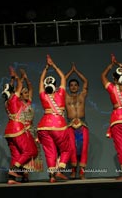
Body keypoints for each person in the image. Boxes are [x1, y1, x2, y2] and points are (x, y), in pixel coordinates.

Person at [37, 54, 71, 183]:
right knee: (66, 149)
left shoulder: (42, 95)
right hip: (58, 125)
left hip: (43, 126)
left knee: (50, 151)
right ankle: (59, 171)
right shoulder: (61, 93)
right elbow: (62, 77)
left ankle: (51, 176)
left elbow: (40, 81)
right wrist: (54, 65)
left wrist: (46, 67)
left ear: (45, 87)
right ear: (56, 86)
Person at [2, 67, 38, 184]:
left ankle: (11, 179)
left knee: (16, 154)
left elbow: (11, 89)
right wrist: (18, 77)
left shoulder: (6, 102)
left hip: (9, 131)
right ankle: (13, 170)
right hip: (18, 128)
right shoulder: (15, 100)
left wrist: (12, 79)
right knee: (29, 151)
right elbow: (19, 85)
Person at [65, 63, 89, 179]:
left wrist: (77, 71)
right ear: (69, 87)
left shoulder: (82, 95)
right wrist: (70, 71)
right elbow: (63, 81)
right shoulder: (65, 97)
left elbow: (86, 81)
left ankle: (82, 172)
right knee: (72, 149)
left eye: (75, 85)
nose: (73, 87)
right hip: (70, 125)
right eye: (71, 85)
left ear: (78, 87)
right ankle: (74, 171)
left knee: (83, 148)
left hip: (82, 124)